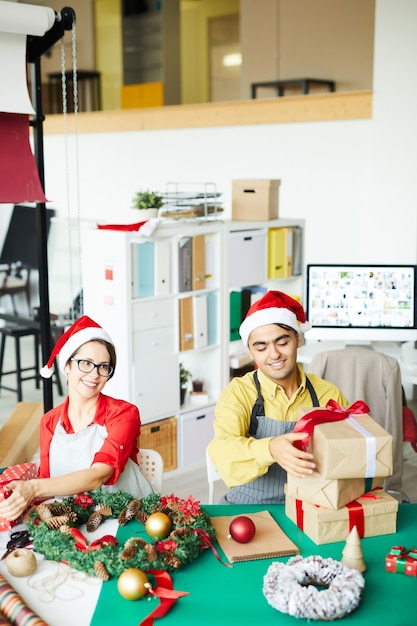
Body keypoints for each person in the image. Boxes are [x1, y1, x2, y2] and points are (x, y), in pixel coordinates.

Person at [0, 315, 154, 522]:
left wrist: (33, 487)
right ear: (67, 366)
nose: (94, 374)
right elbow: (49, 485)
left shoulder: (123, 414)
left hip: (131, 518)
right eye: (85, 363)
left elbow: (99, 475)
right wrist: (13, 497)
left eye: (103, 367)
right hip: (75, 519)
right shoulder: (49, 422)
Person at [207, 291, 348, 505]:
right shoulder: (238, 393)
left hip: (310, 505)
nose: (273, 354)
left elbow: (347, 451)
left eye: (282, 343)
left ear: (298, 339)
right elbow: (221, 450)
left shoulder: (327, 394)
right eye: (261, 347)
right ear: (251, 352)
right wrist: (271, 448)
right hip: (247, 505)